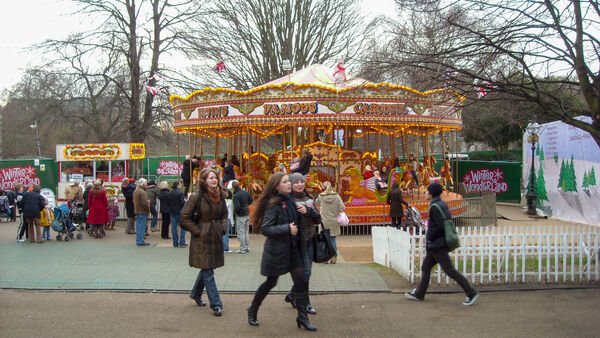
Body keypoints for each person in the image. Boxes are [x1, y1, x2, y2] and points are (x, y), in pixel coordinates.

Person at [246, 172, 317, 331]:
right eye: (285, 182)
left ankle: (302, 317)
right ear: (277, 186)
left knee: (301, 280)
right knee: (271, 282)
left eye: (288, 181)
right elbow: (266, 229)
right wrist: (287, 228)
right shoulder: (274, 204)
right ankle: (253, 309)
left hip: (293, 249)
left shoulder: (290, 200)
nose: (289, 184)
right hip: (277, 252)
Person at [405, 182, 479, 306]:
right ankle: (419, 293)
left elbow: (438, 226)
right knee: (426, 267)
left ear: (432, 193)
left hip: (437, 245)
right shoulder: (442, 204)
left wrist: (430, 238)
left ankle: (471, 293)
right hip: (437, 244)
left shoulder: (434, 207)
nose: (426, 193)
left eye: (427, 191)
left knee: (449, 270)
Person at [180, 169, 228, 317]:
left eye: (215, 177)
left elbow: (224, 215)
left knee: (207, 267)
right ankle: (216, 304)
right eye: (211, 178)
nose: (214, 180)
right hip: (202, 238)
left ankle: (195, 293)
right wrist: (197, 231)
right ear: (204, 180)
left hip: (215, 236)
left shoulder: (220, 196)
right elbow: (184, 217)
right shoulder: (197, 197)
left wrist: (223, 228)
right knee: (208, 271)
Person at [284, 172, 321, 314]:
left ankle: (292, 294)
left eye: (301, 182)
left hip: (309, 238)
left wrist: (308, 211)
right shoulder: (288, 200)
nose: (300, 185)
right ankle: (305, 303)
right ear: (291, 185)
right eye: (296, 182)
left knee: (306, 273)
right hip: (296, 242)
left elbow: (318, 219)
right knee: (305, 272)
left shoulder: (309, 198)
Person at [316, 181, 345, 264]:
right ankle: (334, 256)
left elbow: (317, 202)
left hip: (324, 221)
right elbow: (342, 208)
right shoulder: (336, 196)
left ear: (323, 188)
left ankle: (326, 258)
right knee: (332, 240)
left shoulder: (321, 196)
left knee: (325, 240)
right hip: (334, 221)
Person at [232, 180, 253, 253]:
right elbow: (251, 200)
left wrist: (235, 212)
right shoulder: (245, 192)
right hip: (247, 213)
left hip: (240, 215)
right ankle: (247, 247)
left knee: (241, 232)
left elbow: (237, 207)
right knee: (246, 231)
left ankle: (242, 248)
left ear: (233, 187)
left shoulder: (236, 195)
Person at [167, 181, 187, 248]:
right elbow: (182, 203)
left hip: (172, 211)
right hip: (180, 211)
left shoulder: (170, 193)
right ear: (178, 185)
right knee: (183, 227)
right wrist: (185, 201)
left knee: (174, 227)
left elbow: (168, 202)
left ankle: (175, 242)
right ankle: (182, 242)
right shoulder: (180, 193)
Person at [133, 178, 150, 246]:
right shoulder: (142, 192)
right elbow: (144, 203)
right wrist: (148, 206)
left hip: (137, 210)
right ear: (142, 184)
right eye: (145, 184)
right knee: (141, 226)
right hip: (142, 211)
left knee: (138, 226)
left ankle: (139, 240)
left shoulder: (136, 191)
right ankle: (140, 240)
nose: (146, 185)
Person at [223, 184, 234, 253]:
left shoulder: (221, 201)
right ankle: (226, 248)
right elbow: (230, 213)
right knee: (225, 234)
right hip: (227, 219)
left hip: (222, 219)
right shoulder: (230, 202)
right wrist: (232, 222)